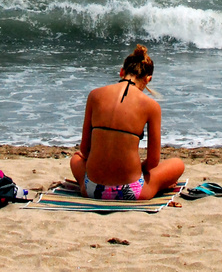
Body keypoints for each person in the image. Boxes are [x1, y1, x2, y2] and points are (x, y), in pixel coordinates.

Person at [70, 44, 184, 201]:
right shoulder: (152, 106)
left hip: (92, 189)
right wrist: (140, 171)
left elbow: (85, 150)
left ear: (121, 71)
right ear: (148, 79)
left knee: (75, 159)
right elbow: (153, 161)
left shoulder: (94, 95)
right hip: (132, 191)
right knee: (178, 164)